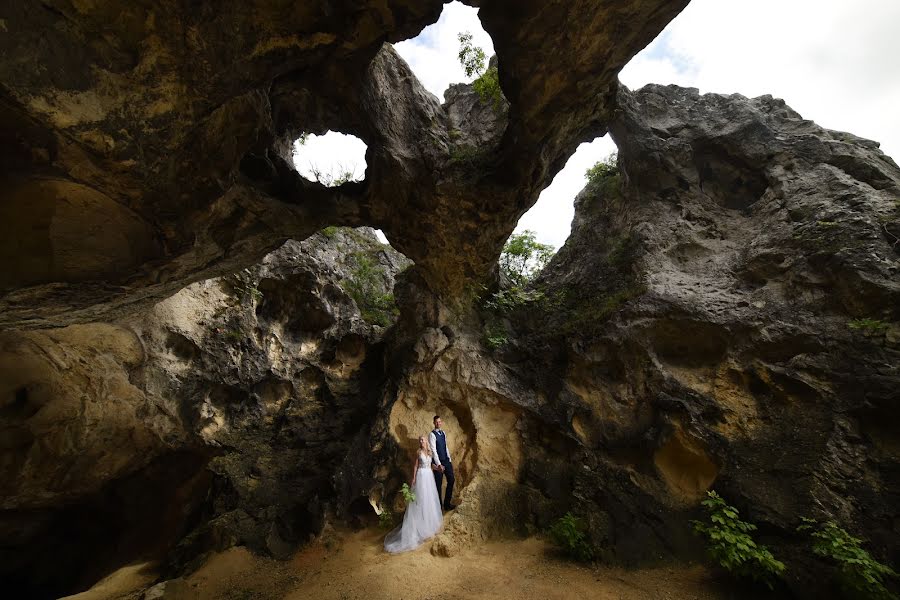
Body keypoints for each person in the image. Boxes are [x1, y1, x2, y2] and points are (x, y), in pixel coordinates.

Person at [383, 436, 443, 553]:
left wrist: (438, 468)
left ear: (426, 441)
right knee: (420, 500)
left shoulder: (429, 452)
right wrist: (414, 479)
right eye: (420, 440)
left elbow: (430, 465)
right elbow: (416, 466)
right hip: (421, 476)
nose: (421, 441)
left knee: (429, 500)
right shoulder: (418, 452)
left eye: (423, 440)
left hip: (429, 476)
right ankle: (419, 527)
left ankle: (429, 524)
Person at [429, 415, 456, 511]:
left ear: (441, 422)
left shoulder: (443, 433)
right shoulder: (432, 435)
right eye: (436, 422)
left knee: (451, 480)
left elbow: (445, 447)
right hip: (438, 463)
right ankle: (438, 508)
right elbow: (433, 450)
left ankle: (447, 504)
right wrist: (439, 464)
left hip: (446, 461)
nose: (438, 423)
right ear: (434, 423)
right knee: (438, 485)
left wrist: (449, 459)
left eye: (439, 421)